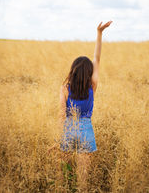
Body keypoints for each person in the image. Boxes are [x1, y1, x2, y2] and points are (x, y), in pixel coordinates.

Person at [48, 21, 112, 192]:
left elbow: (62, 115)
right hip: (86, 130)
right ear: (89, 72)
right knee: (83, 178)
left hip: (68, 129)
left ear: (73, 71)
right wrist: (99, 33)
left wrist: (58, 141)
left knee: (62, 174)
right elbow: (97, 59)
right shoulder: (92, 85)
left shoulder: (65, 88)